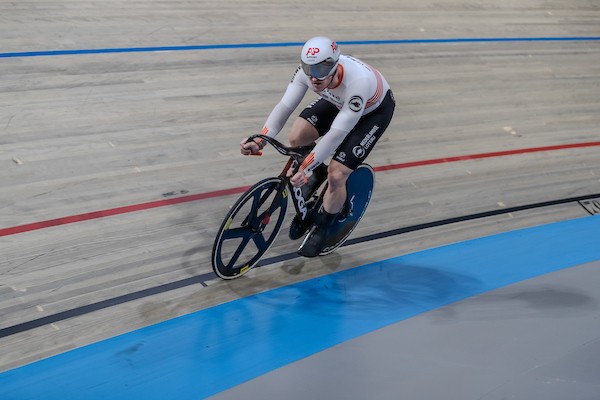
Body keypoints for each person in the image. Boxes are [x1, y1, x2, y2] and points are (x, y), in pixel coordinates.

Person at [240, 36, 395, 257]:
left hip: (372, 113)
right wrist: (261, 138)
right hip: (338, 100)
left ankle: (325, 226)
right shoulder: (310, 74)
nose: (314, 76)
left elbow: (336, 135)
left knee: (337, 174)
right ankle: (317, 173)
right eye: (308, 68)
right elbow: (284, 106)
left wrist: (306, 166)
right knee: (297, 137)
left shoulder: (357, 82)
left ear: (334, 64)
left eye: (322, 68)